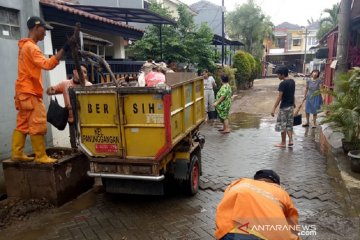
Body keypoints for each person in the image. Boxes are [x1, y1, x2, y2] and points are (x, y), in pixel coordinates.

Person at [12, 16, 69, 164]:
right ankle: (41, 156)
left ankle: (17, 153)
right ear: (36, 28)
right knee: (37, 122)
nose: (45, 33)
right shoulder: (31, 47)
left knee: (23, 123)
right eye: (44, 30)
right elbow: (48, 64)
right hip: (29, 93)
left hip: (22, 92)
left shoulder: (25, 46)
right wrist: (64, 49)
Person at [215, 170, 300, 240]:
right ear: (276, 184)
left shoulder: (240, 183)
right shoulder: (281, 192)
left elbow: (225, 204)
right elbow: (292, 222)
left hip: (230, 231)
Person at [46, 64, 92, 148]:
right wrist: (51, 90)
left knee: (87, 143)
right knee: (74, 142)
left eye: (85, 72)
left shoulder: (88, 86)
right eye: (80, 71)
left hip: (85, 121)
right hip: (71, 120)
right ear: (74, 72)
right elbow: (49, 91)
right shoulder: (65, 84)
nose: (82, 74)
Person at [271, 66, 295, 148]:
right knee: (289, 125)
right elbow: (293, 94)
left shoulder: (282, 84)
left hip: (284, 107)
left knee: (282, 125)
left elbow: (279, 97)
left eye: (278, 74)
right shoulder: (292, 82)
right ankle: (291, 140)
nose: (277, 76)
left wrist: (273, 108)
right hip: (291, 106)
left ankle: (283, 142)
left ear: (282, 74)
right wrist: (294, 103)